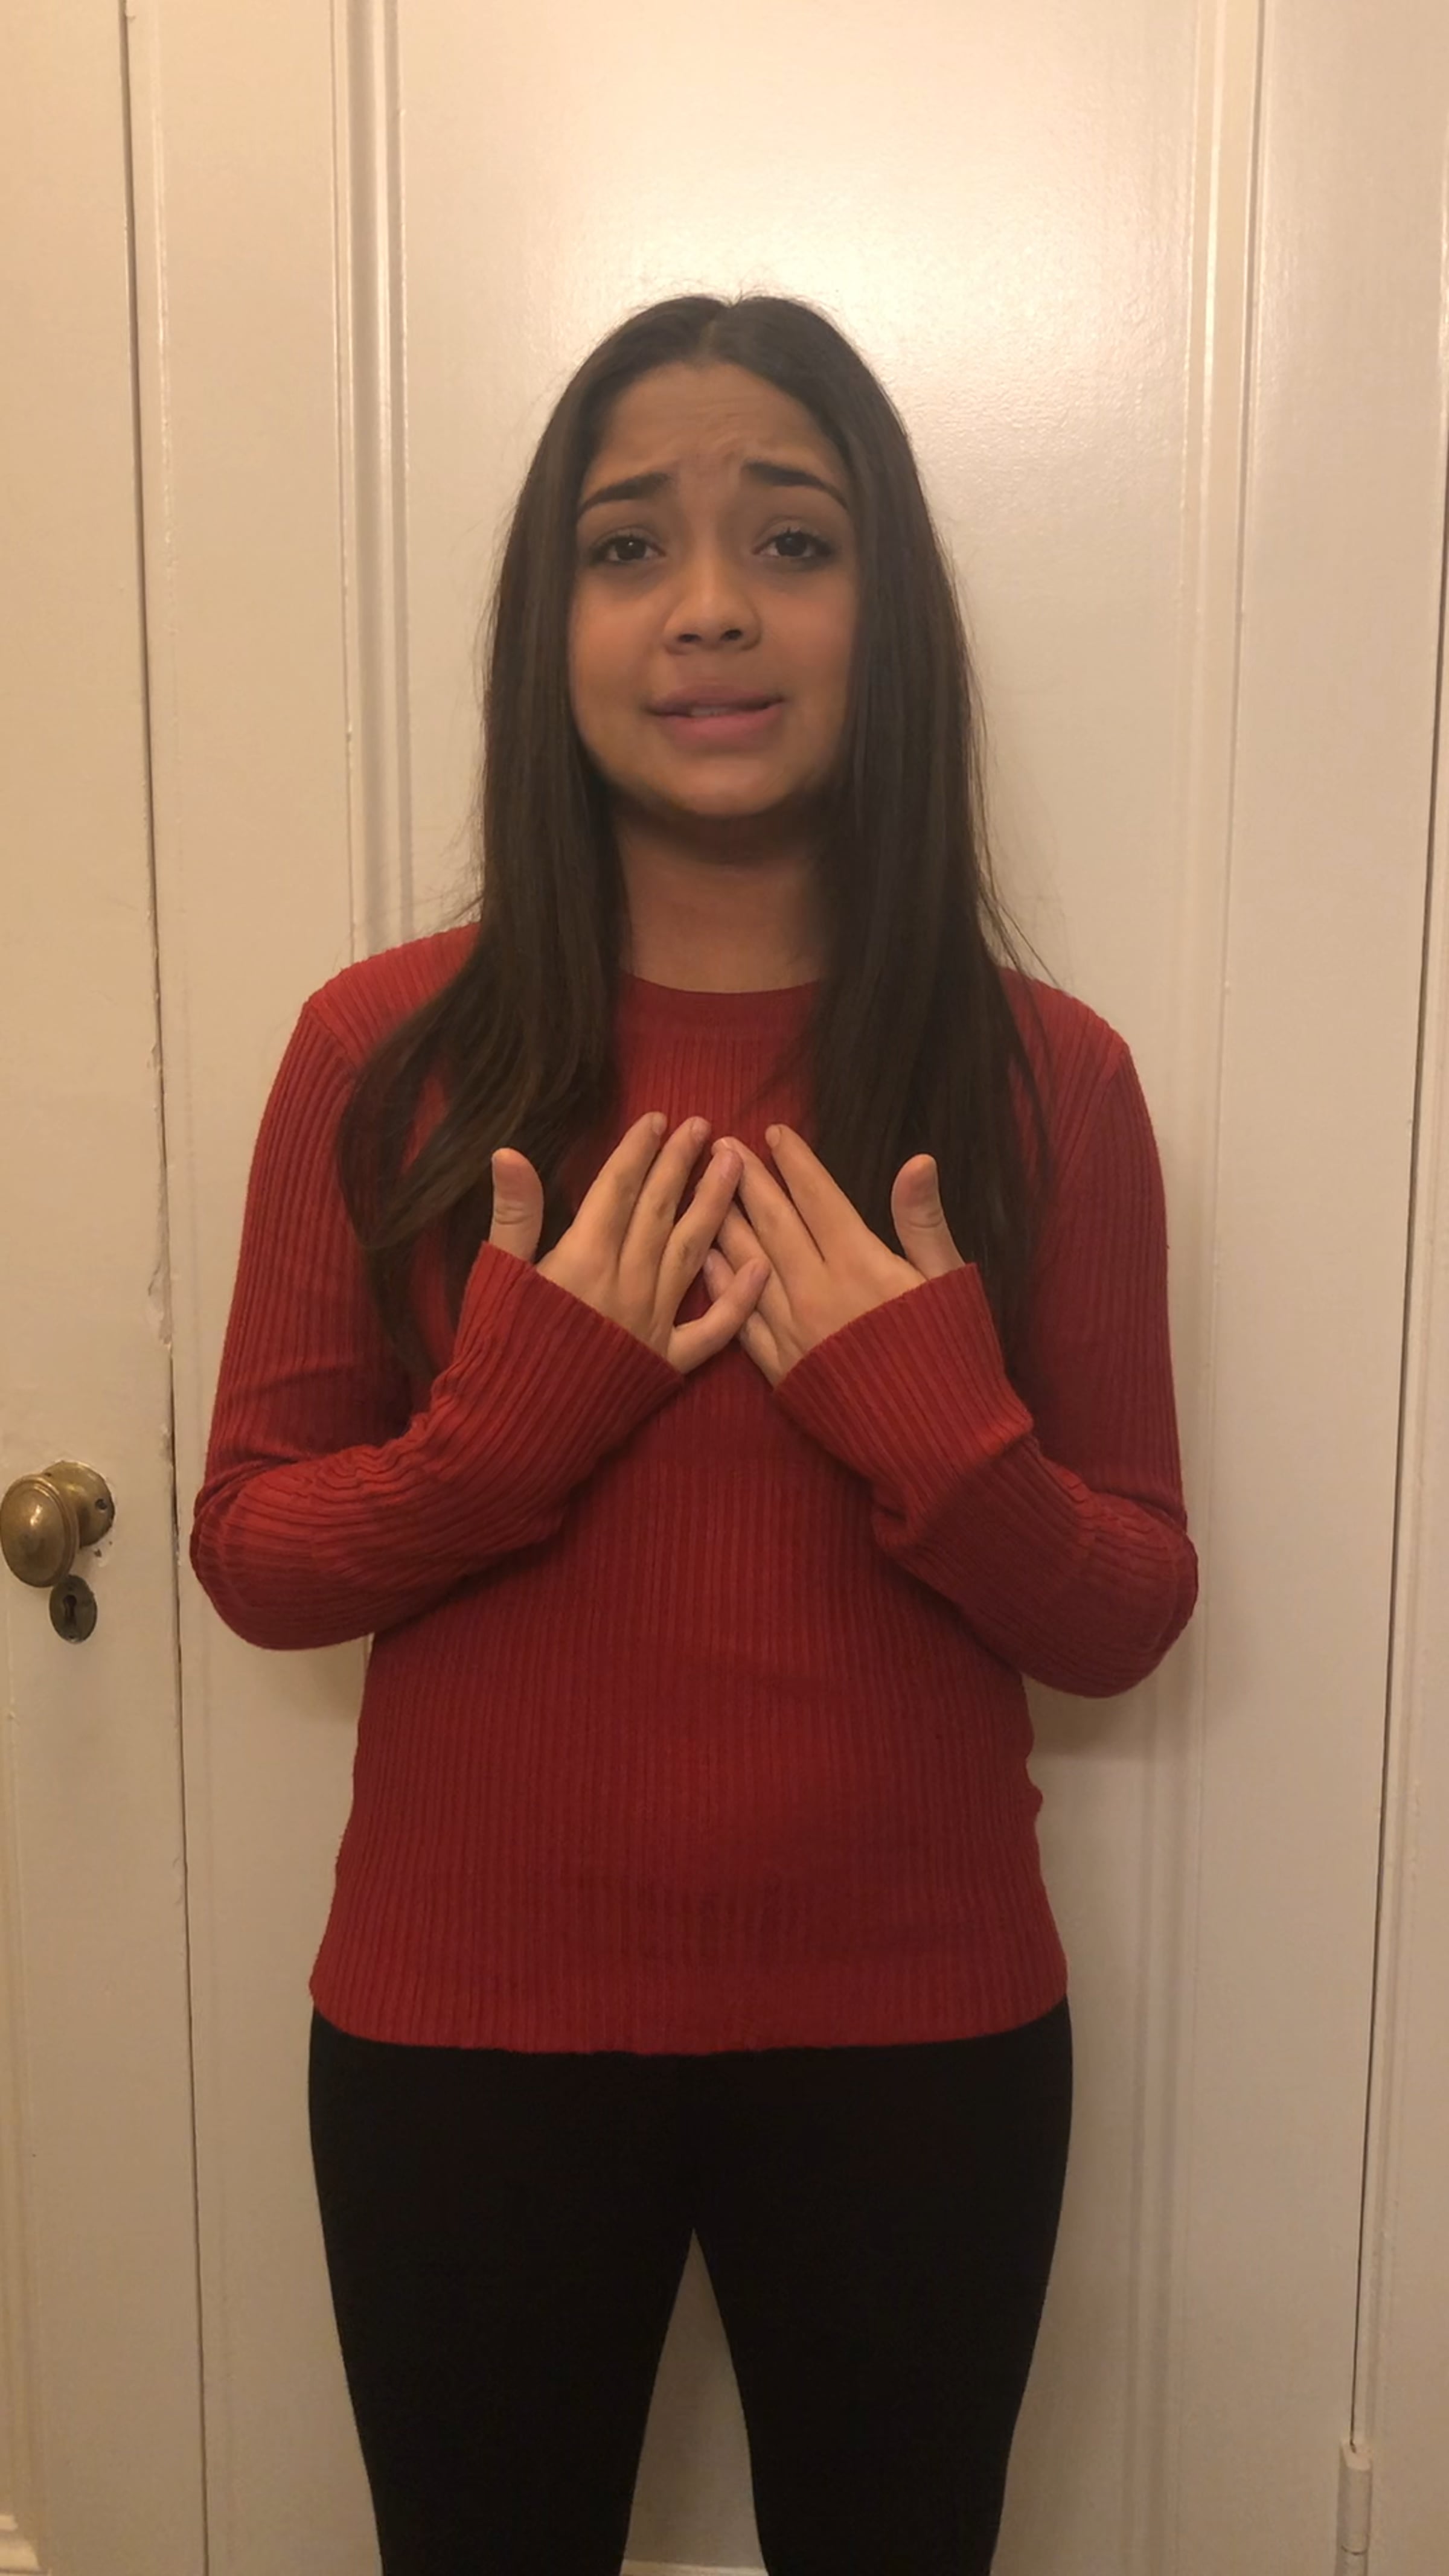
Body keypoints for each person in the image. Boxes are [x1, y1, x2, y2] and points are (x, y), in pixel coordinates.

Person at [191, 292, 1197, 2576]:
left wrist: (927, 1420)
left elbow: (1130, 1604)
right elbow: (252, 1549)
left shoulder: (1052, 1079)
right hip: (466, 2031)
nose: (713, 606)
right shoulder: (381, 1054)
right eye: (631, 543)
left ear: (887, 616)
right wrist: (504, 1438)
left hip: (921, 2034)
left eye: (795, 543)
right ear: (548, 625)